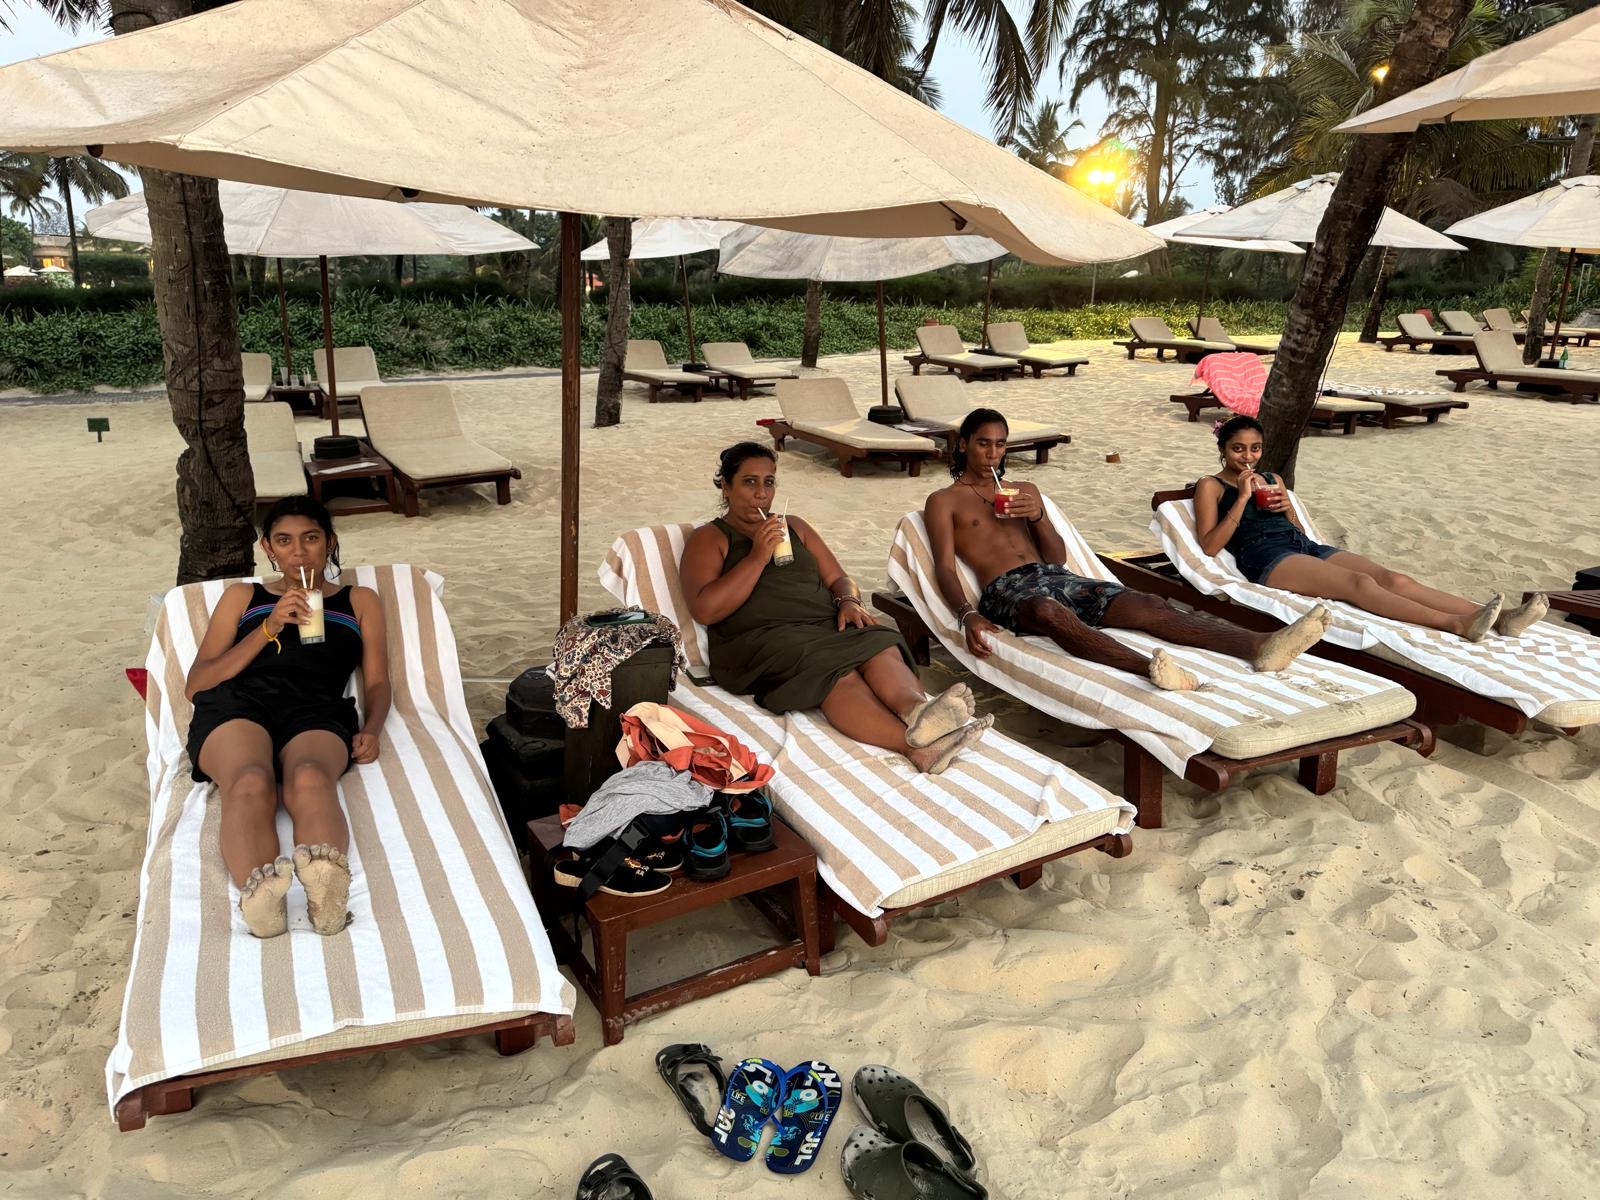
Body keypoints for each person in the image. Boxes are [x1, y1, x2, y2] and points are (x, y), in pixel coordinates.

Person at [925, 409, 1331, 691]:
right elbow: (944, 566)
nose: (993, 454)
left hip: (1055, 576)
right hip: (1006, 590)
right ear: (963, 445)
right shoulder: (943, 501)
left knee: (1148, 604)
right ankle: (1150, 669)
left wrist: (1038, 516)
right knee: (1048, 612)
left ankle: (1258, 645)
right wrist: (968, 615)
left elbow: (1057, 557)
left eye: (1000, 445)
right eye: (983, 444)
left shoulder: (1025, 490)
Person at [680, 442, 991, 775]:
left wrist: (848, 601)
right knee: (837, 671)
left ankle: (918, 713)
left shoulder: (794, 527)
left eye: (769, 482)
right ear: (726, 487)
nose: (761, 493)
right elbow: (705, 610)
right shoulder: (710, 538)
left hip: (822, 624)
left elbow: (839, 578)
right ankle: (916, 749)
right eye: (749, 482)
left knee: (879, 642)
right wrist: (757, 556)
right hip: (761, 639)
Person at [184, 496, 390, 938]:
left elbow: (376, 682)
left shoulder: (359, 601)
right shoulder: (245, 597)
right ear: (268, 548)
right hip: (239, 704)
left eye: (311, 538)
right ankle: (262, 900)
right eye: (284, 540)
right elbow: (197, 684)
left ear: (329, 542)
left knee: (311, 774)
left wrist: (372, 728)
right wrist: (270, 626)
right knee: (250, 779)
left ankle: (326, 894)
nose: (298, 552)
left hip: (316, 706)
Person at [1194, 415, 1545, 641]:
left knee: (1395, 579)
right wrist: (1242, 498)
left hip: (1301, 546)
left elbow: (1299, 529)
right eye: (1238, 449)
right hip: (1264, 556)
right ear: (1223, 449)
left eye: (1255, 448)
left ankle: (1501, 619)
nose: (1248, 456)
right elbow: (1210, 545)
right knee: (1359, 584)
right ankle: (1455, 623)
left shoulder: (1272, 478)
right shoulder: (1211, 486)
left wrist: (1288, 510)